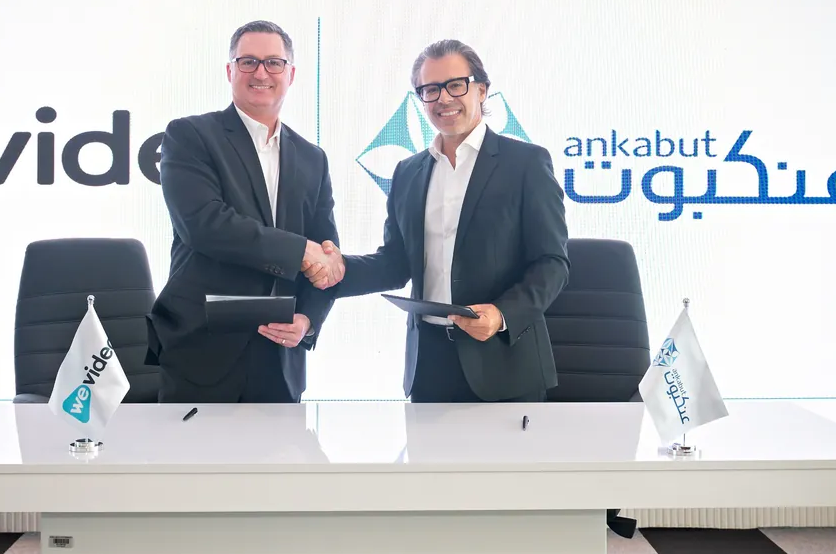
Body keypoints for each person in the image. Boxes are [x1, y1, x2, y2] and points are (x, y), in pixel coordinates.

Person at [317, 39, 569, 403]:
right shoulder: (408, 172)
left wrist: (502, 314)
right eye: (430, 89)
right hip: (428, 364)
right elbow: (395, 264)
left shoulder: (525, 164)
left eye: (455, 85)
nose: (443, 99)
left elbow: (552, 263)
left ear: (481, 90)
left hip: (503, 363)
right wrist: (336, 269)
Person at [147, 20, 344, 404]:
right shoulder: (190, 135)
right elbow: (204, 224)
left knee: (279, 447)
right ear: (230, 71)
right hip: (202, 348)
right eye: (248, 61)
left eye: (274, 63)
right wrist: (301, 251)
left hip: (281, 355)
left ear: (290, 74)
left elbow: (327, 253)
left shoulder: (312, 158)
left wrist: (308, 320)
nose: (261, 73)